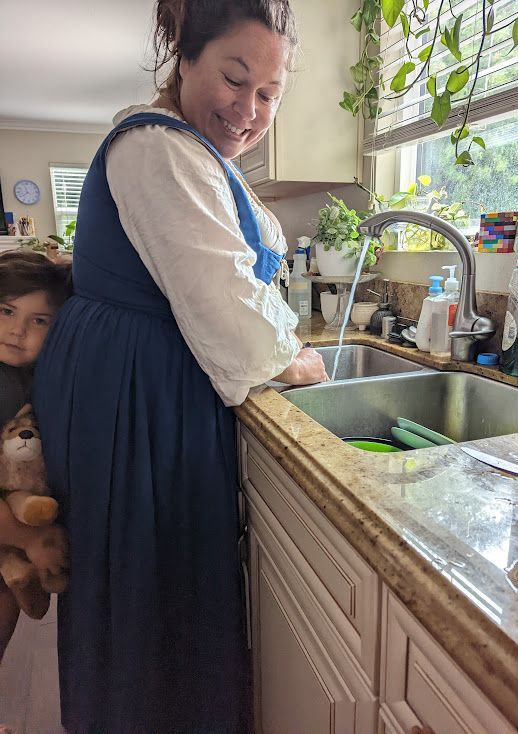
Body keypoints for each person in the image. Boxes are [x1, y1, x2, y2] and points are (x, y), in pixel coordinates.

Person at [33, 1, 327, 732]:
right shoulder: (155, 146)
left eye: (267, 94)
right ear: (183, 59)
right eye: (233, 78)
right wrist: (291, 361)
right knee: (146, 583)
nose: (247, 108)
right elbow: (220, 297)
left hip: (141, 376)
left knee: (150, 580)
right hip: (136, 389)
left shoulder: (195, 155)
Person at [0, 251, 71, 661]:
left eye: (38, 320)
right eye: (7, 310)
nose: (16, 330)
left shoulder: (26, 378)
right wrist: (30, 539)